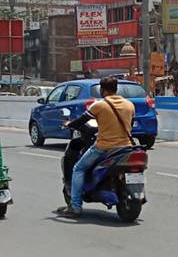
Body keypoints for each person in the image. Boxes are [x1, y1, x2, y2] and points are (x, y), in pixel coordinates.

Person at [58, 76, 136, 218]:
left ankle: (75, 206)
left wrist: (68, 124)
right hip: (126, 147)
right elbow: (130, 124)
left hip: (104, 147)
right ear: (116, 89)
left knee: (78, 168)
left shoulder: (99, 105)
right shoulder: (129, 105)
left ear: (102, 89)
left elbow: (81, 121)